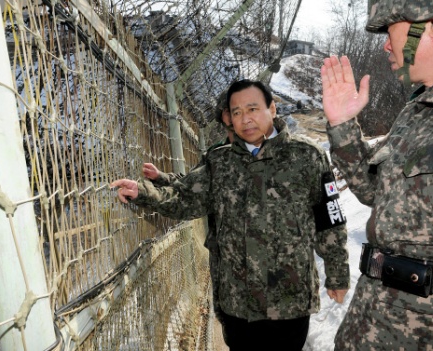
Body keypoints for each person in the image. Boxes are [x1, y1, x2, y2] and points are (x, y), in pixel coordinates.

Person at [112, 79, 350, 350]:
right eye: (236, 112)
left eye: (252, 109)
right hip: (239, 302)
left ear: (272, 109)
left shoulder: (308, 157)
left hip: (289, 299)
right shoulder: (219, 162)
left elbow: (330, 220)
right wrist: (144, 192)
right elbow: (185, 198)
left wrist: (338, 273)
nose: (245, 119)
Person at [321, 1, 433, 350]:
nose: (386, 44)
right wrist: (343, 125)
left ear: (432, 22)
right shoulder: (419, 109)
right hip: (372, 326)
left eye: (390, 29)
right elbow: (379, 192)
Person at [141, 91, 234, 324]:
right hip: (228, 259)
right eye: (231, 111)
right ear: (223, 118)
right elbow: (191, 185)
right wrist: (161, 178)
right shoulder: (216, 155)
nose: (237, 117)